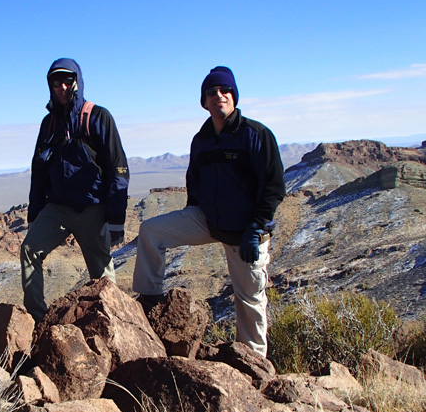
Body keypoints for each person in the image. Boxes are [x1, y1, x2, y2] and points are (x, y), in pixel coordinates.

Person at [132, 66, 286, 357]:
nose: (219, 96)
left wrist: (256, 227)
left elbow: (274, 188)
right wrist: (192, 210)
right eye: (211, 92)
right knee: (151, 231)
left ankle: (252, 364)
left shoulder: (256, 135)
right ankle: (150, 298)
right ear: (204, 101)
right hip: (209, 220)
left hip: (247, 232)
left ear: (234, 96)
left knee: (249, 300)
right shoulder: (201, 139)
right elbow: (195, 179)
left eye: (225, 90)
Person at [21, 58, 130, 322]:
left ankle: (115, 324)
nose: (62, 87)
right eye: (56, 82)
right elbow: (38, 171)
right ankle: (38, 319)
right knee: (29, 250)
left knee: (102, 275)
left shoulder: (97, 116)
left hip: (92, 207)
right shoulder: (48, 124)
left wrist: (115, 217)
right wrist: (34, 213)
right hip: (57, 208)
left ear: (77, 82)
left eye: (67, 80)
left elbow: (118, 167)